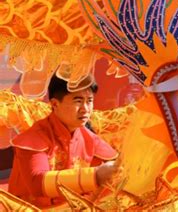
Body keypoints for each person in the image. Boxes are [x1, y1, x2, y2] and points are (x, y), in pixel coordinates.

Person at [8, 75, 119, 208]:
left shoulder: (88, 137)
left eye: (89, 101)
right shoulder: (35, 137)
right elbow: (37, 183)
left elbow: (116, 166)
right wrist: (95, 176)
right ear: (55, 104)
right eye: (78, 101)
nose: (85, 109)